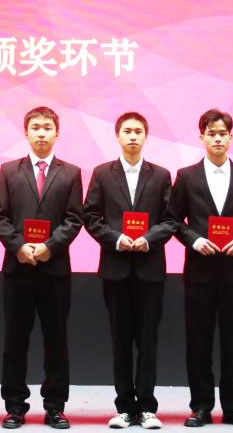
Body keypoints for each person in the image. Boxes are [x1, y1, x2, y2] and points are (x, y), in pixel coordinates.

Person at [169, 109, 233, 429]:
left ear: (231, 137)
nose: (218, 139)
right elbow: (173, 219)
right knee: (198, 341)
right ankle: (201, 406)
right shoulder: (186, 176)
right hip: (200, 270)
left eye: (223, 133)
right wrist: (195, 241)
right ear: (202, 137)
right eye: (212, 133)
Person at [0, 106, 84, 429]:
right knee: (15, 341)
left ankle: (55, 407)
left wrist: (49, 246)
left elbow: (74, 218)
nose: (41, 133)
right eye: (36, 127)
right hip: (18, 268)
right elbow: (0, 217)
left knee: (56, 341)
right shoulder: (8, 171)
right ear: (26, 132)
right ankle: (15, 406)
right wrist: (19, 246)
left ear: (57, 133)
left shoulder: (71, 173)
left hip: (54, 269)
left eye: (47, 127)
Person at [83, 112, 176, 430]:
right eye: (127, 131)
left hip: (150, 270)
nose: (133, 136)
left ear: (145, 136)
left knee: (148, 341)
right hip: (116, 268)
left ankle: (147, 408)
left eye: (138, 131)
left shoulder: (161, 175)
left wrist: (148, 239)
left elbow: (170, 219)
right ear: (118, 136)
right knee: (120, 341)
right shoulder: (102, 173)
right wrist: (117, 239)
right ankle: (124, 408)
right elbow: (90, 216)